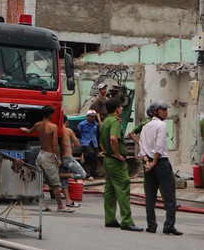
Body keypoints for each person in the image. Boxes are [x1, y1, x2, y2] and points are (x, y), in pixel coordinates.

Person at [138, 100, 182, 235]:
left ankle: (151, 225)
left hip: (148, 163)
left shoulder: (145, 127)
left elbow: (141, 146)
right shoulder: (162, 125)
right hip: (161, 162)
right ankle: (169, 226)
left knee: (150, 196)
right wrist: (154, 162)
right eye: (163, 109)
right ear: (155, 111)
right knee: (169, 196)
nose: (166, 112)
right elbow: (159, 146)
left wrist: (147, 161)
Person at [20, 106, 75, 213]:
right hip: (49, 156)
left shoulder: (38, 125)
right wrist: (58, 158)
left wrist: (23, 130)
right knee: (55, 183)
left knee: (41, 181)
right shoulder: (53, 127)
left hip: (40, 155)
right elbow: (54, 144)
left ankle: (43, 204)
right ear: (51, 114)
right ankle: (60, 206)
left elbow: (29, 131)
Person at [100, 99, 143, 231]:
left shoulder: (104, 122)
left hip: (107, 159)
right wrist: (118, 154)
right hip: (116, 161)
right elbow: (113, 138)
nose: (122, 110)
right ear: (117, 109)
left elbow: (102, 141)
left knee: (110, 190)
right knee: (123, 188)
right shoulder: (115, 122)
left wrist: (107, 152)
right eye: (121, 107)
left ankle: (110, 219)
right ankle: (127, 221)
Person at [59, 115, 86, 208]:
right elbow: (78, 143)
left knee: (64, 181)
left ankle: (68, 200)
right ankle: (61, 175)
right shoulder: (68, 130)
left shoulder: (57, 131)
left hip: (60, 158)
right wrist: (74, 140)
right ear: (66, 122)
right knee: (83, 174)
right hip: (68, 158)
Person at [77, 109, 100, 180]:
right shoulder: (82, 124)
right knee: (91, 153)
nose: (93, 118)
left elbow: (97, 134)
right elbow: (78, 133)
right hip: (86, 142)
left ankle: (92, 175)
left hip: (94, 142)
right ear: (88, 116)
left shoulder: (96, 125)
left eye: (94, 116)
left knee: (95, 159)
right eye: (91, 116)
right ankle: (85, 155)